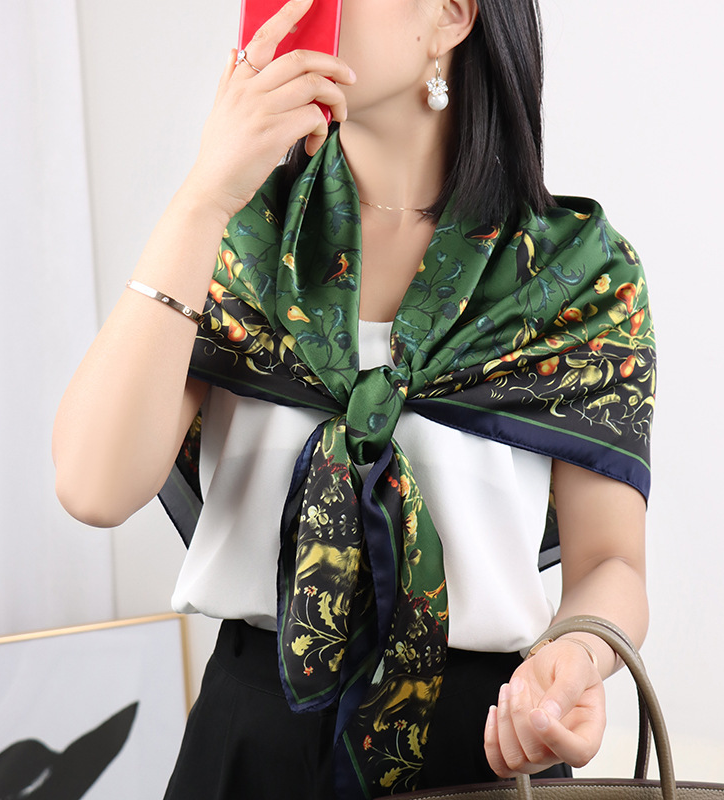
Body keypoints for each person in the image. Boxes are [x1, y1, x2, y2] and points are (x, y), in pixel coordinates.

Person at [53, 0, 655, 798]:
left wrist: (575, 656)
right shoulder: (239, 237)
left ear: (452, 15)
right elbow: (92, 487)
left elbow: (612, 562)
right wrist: (202, 198)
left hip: (486, 742)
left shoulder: (575, 274)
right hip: (250, 747)